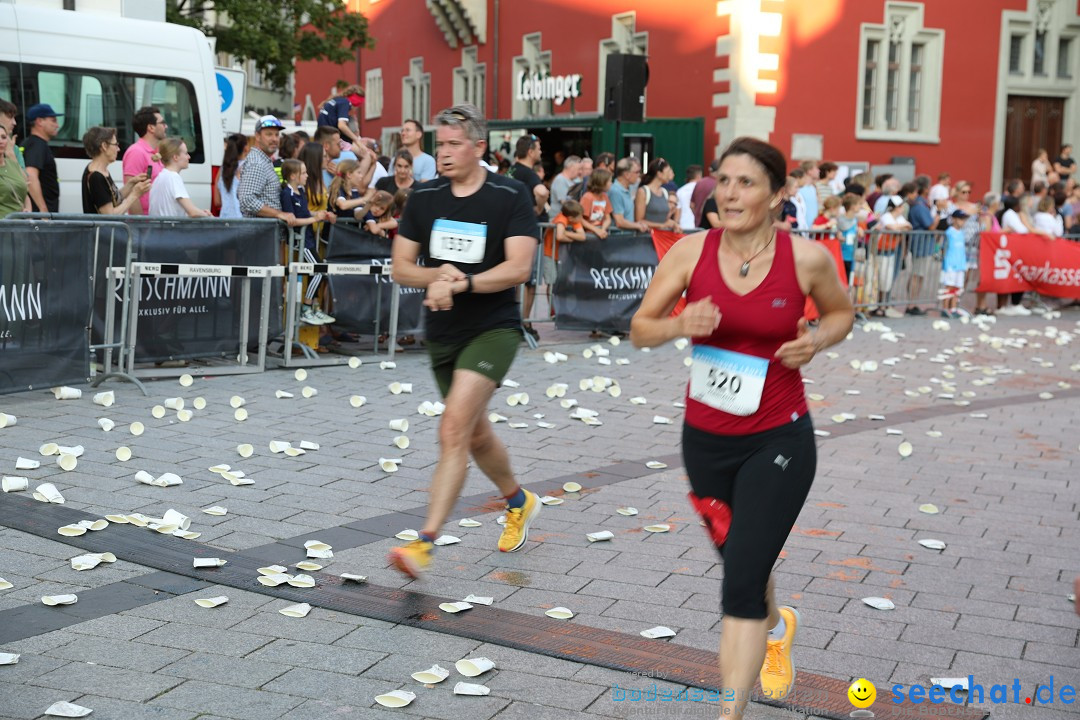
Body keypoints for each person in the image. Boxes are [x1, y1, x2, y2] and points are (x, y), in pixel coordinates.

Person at [629, 136, 853, 719]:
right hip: (705, 442)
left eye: (746, 182)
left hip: (779, 436)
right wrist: (681, 327)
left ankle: (730, 713)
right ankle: (778, 630)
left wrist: (817, 340)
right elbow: (640, 328)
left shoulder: (805, 259)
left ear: (778, 195)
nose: (729, 193)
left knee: (739, 583)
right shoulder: (689, 252)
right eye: (723, 180)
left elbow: (841, 312)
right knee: (743, 569)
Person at [387, 103, 541, 578]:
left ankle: (425, 543)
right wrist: (437, 275)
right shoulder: (426, 197)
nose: (445, 153)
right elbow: (400, 268)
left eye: (455, 144)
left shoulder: (509, 195)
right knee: (474, 432)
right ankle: (519, 501)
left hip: (493, 328)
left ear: (479, 147)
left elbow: (518, 268)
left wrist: (463, 284)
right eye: (440, 144)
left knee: (452, 428)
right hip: (444, 332)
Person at [280, 158, 334, 327]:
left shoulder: (301, 191)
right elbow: (293, 220)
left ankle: (314, 307)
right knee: (318, 270)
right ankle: (307, 307)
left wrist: (320, 214)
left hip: (309, 238)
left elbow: (304, 212)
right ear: (293, 176)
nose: (307, 175)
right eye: (303, 173)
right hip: (301, 240)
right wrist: (313, 219)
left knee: (318, 271)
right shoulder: (286, 194)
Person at [239, 116, 297, 225]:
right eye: (269, 134)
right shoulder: (256, 162)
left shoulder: (263, 160)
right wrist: (278, 214)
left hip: (265, 234)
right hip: (260, 235)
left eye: (276, 134)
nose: (274, 139)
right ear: (257, 136)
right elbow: (247, 200)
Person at [81, 126, 150, 215]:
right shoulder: (96, 177)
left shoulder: (101, 171)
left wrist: (132, 183)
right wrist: (134, 195)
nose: (118, 149)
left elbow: (113, 199)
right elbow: (110, 215)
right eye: (115, 144)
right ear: (104, 146)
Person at [122, 106, 167, 215]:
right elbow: (132, 193)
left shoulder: (155, 151)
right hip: (145, 225)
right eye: (163, 123)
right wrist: (141, 225)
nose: (166, 126)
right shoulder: (136, 152)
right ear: (151, 128)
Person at [149, 138, 211, 218]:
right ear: (175, 157)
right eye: (186, 153)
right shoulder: (174, 177)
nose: (189, 157)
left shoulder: (159, 178)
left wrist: (200, 212)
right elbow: (192, 212)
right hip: (170, 230)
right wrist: (208, 215)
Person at [21, 103, 62, 213]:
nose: (57, 125)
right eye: (53, 120)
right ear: (39, 121)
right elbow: (30, 176)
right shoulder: (37, 146)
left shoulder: (30, 143)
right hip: (38, 218)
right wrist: (43, 210)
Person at [905, 179, 935, 315]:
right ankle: (911, 304)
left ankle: (913, 302)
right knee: (917, 274)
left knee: (918, 274)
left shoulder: (918, 204)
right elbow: (931, 226)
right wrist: (939, 213)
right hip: (921, 245)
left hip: (922, 244)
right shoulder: (920, 206)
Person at [635, 158, 679, 231]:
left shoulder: (665, 192)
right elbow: (639, 220)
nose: (670, 175)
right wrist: (662, 225)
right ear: (659, 174)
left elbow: (665, 219)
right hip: (647, 238)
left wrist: (674, 224)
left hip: (662, 237)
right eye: (668, 172)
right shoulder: (643, 191)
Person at [941, 210, 969, 317]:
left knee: (957, 287)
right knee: (949, 286)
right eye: (960, 219)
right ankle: (945, 308)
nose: (962, 222)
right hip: (950, 263)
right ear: (954, 219)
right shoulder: (949, 232)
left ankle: (953, 308)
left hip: (960, 263)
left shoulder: (961, 233)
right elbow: (944, 247)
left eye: (963, 219)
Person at [0, 125, 29, 218]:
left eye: (4, 137)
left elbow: (25, 193)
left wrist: (27, 212)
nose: (1, 141)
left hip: (18, 226)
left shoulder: (13, 164)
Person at [215, 134, 246, 219]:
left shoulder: (222, 170)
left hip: (224, 219)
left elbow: (217, 202)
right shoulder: (248, 167)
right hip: (241, 220)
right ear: (245, 148)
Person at [0, 99, 25, 171]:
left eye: (3, 138)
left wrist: (10, 154)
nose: (14, 123)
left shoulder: (14, 149)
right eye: (10, 117)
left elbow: (24, 181)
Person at [677, 164, 703, 231]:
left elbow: (678, 212)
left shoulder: (680, 191)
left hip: (683, 226)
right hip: (698, 226)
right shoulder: (701, 189)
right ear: (698, 176)